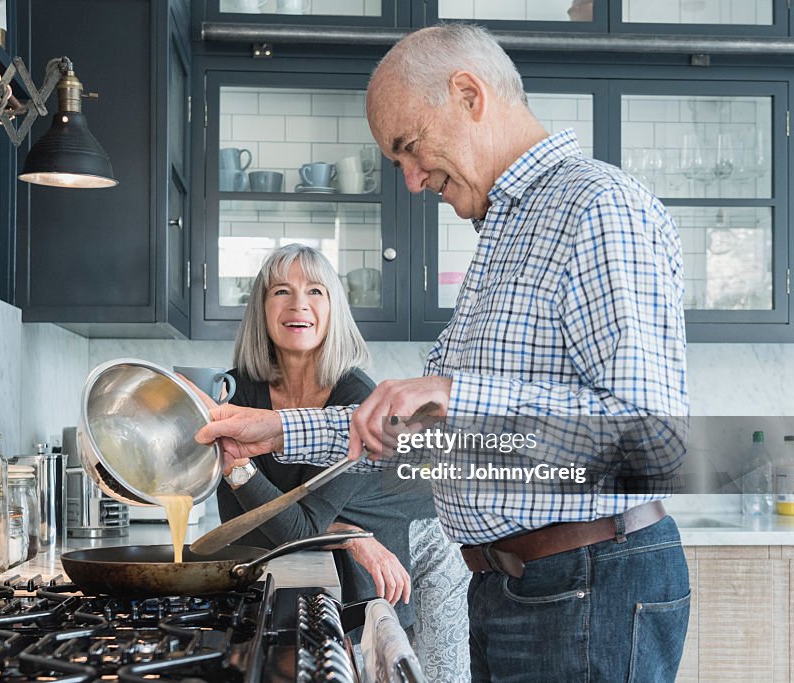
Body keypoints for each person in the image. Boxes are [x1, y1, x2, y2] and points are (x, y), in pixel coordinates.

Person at [195, 24, 690, 682]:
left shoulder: (596, 207)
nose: (410, 179)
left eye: (409, 147)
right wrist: (275, 428)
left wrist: (458, 395)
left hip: (586, 583)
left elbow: (651, 441)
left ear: (468, 95)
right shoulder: (506, 232)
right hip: (514, 584)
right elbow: (419, 435)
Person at [216, 243, 470, 681]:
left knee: (424, 672)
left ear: (334, 307)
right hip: (346, 539)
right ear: (261, 307)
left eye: (316, 290)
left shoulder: (356, 398)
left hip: (420, 540)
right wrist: (351, 535)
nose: (299, 304)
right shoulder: (237, 390)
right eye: (281, 291)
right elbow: (245, 525)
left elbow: (300, 525)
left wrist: (238, 468)